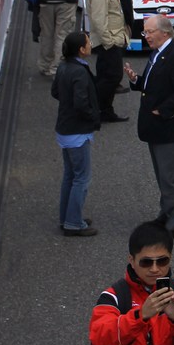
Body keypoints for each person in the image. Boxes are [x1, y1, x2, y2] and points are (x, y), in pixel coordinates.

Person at [123, 15, 174, 237]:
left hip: (168, 127)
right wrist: (137, 80)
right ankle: (166, 213)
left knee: (170, 177)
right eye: (145, 32)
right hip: (157, 127)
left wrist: (163, 110)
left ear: (164, 32)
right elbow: (153, 81)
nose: (146, 36)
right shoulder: (159, 52)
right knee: (163, 175)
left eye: (149, 32)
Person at [54, 31, 100, 236]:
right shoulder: (80, 72)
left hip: (64, 129)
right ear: (81, 49)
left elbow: (55, 92)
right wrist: (93, 117)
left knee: (70, 176)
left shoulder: (64, 67)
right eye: (88, 43)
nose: (90, 45)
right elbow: (81, 103)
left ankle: (67, 217)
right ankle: (74, 222)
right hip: (77, 131)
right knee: (82, 178)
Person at [87, 0, 131, 122]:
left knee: (107, 76)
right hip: (109, 41)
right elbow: (99, 19)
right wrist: (109, 42)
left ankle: (104, 110)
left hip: (110, 39)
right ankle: (98, 109)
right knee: (111, 77)